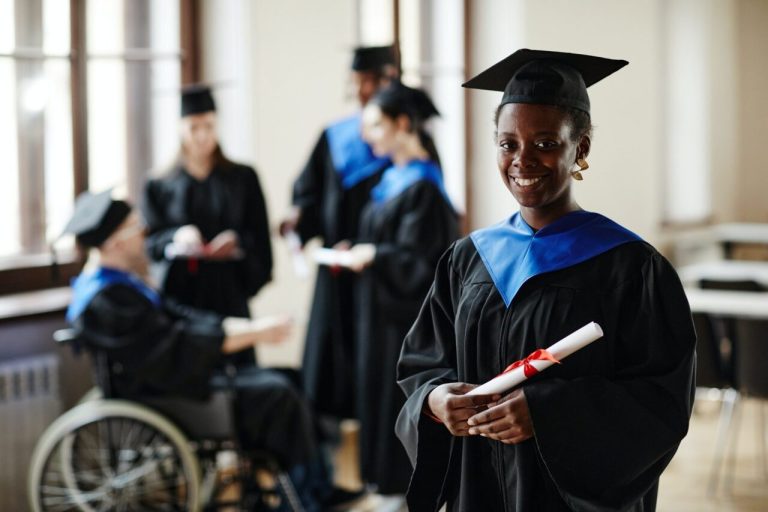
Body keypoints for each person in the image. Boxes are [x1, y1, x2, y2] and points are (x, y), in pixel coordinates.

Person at [395, 49, 696, 511]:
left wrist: (550, 414)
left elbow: (661, 401)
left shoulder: (631, 267)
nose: (522, 159)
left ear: (582, 148)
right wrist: (434, 400)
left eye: (545, 143)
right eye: (507, 143)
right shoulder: (468, 258)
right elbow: (423, 363)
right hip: (478, 491)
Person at [61, 190, 344, 510]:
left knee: (291, 378)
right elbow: (173, 346)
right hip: (162, 391)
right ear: (115, 243)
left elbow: (180, 319)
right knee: (278, 393)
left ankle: (317, 488)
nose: (144, 232)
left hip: (173, 378)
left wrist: (245, 328)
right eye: (135, 226)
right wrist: (251, 334)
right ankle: (307, 497)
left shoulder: (121, 282)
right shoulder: (104, 297)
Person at [334, 81, 459, 500]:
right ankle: (381, 488)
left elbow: (421, 265)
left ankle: (400, 493)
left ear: (403, 124)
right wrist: (363, 250)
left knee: (394, 404)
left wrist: (375, 256)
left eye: (375, 124)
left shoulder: (424, 186)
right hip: (378, 318)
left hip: (401, 326)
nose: (366, 134)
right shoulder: (393, 179)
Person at [279, 46, 397, 419]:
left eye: (371, 81)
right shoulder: (335, 137)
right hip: (335, 268)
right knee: (329, 369)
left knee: (378, 370)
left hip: (381, 275)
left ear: (390, 79)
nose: (363, 91)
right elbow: (309, 194)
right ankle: (333, 464)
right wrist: (298, 218)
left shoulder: (407, 143)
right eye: (357, 83)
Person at [142, 84, 272, 367]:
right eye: (194, 127)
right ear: (180, 128)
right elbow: (149, 244)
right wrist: (177, 237)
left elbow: (261, 239)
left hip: (229, 292)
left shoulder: (243, 178)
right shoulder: (158, 185)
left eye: (209, 126)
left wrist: (237, 244)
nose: (202, 136)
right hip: (182, 299)